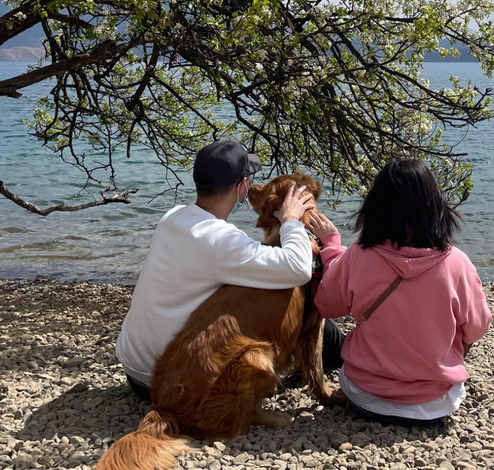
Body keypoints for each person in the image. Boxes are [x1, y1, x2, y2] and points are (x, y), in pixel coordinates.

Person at [115, 139, 343, 402]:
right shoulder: (223, 242)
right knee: (315, 323)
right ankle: (354, 360)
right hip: (172, 379)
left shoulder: (173, 216)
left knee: (313, 323)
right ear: (241, 187)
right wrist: (291, 221)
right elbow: (298, 269)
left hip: (134, 368)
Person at [306, 159, 492, 427]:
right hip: (433, 405)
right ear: (435, 206)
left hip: (366, 396)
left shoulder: (359, 255)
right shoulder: (457, 263)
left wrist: (333, 248)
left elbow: (326, 305)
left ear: (376, 207)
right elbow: (478, 328)